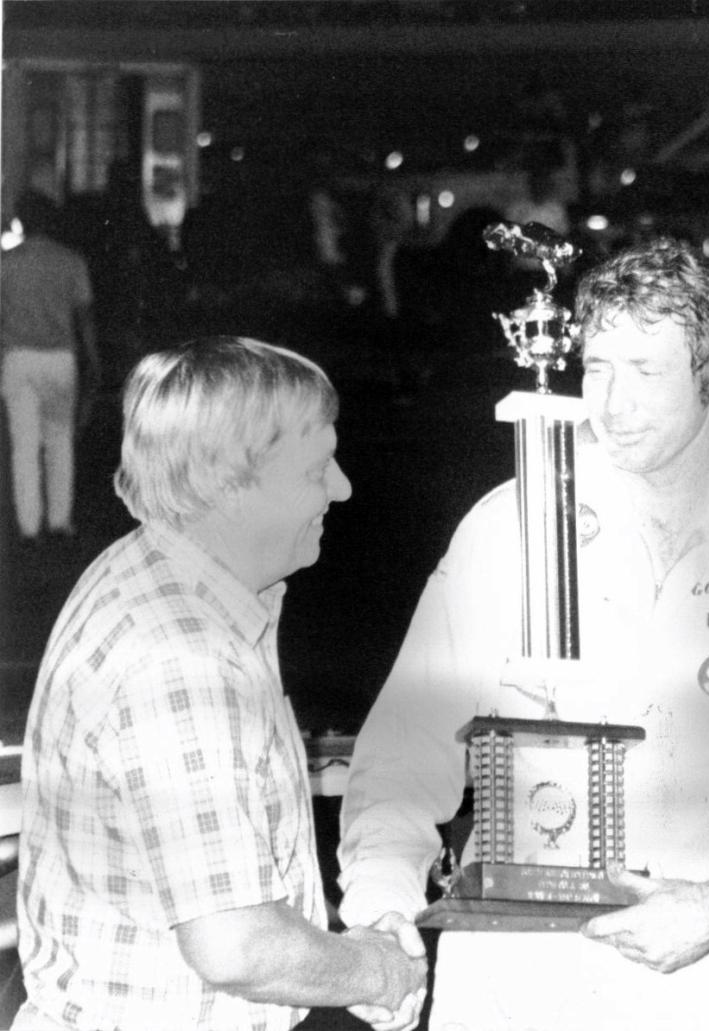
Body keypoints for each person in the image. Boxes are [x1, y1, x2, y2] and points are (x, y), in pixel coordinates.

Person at [338, 237, 709, 1031]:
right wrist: (380, 907)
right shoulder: (509, 526)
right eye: (597, 367)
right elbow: (405, 750)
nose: (612, 404)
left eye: (646, 371)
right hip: (512, 970)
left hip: (700, 962)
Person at [14, 337, 427, 1031]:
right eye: (317, 469)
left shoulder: (150, 570)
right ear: (231, 485)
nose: (342, 488)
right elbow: (237, 947)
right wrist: (378, 971)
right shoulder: (183, 658)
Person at [1, 191, 99, 543]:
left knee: (24, 445)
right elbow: (84, 318)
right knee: (59, 440)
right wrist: (93, 359)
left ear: (22, 221)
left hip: (18, 358)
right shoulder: (71, 261)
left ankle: (29, 526)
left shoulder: (6, 264)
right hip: (61, 359)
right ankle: (60, 521)